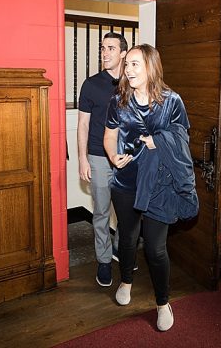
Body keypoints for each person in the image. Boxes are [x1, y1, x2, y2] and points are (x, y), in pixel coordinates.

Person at [104, 44, 196, 332]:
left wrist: (160, 141)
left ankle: (162, 302)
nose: (128, 70)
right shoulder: (118, 100)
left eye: (134, 64)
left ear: (150, 67)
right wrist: (112, 157)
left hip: (159, 185)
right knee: (128, 239)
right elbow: (109, 136)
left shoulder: (172, 101)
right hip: (126, 182)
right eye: (127, 64)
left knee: (156, 250)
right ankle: (126, 280)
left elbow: (182, 138)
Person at [77, 32, 128, 287]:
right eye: (102, 48)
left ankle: (120, 247)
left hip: (127, 159)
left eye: (110, 48)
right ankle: (104, 261)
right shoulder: (91, 84)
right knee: (101, 212)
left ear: (123, 53)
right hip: (98, 157)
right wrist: (82, 159)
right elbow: (83, 125)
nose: (105, 53)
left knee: (127, 212)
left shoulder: (132, 82)